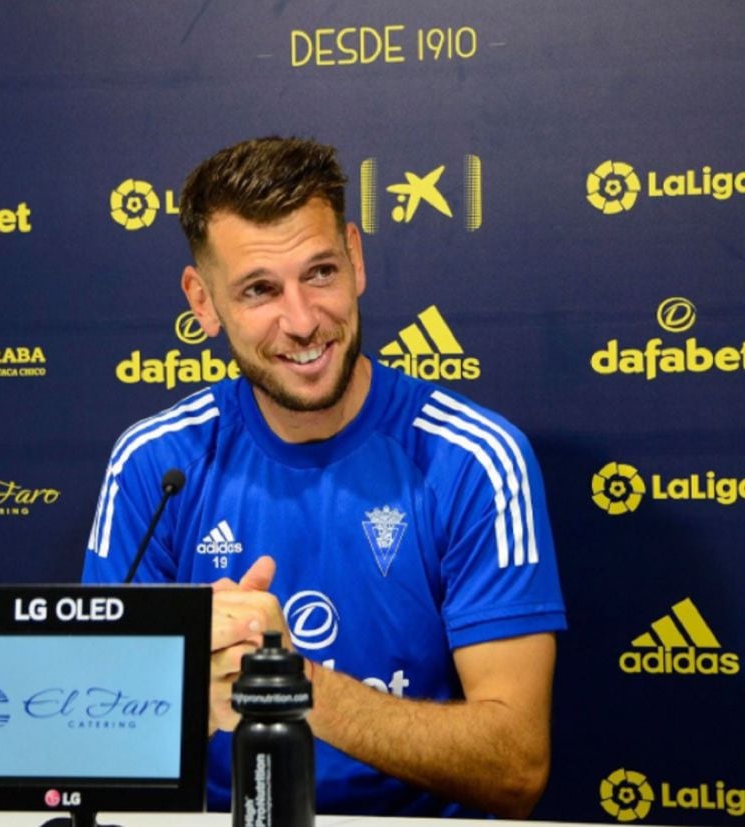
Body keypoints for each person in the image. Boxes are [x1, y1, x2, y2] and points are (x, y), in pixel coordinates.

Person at [82, 136, 566, 818]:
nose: (303, 320)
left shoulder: (476, 458)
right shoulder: (153, 464)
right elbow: (91, 742)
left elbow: (517, 764)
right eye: (259, 289)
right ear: (202, 301)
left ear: (356, 258)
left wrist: (289, 682)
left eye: (320, 273)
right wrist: (187, 681)